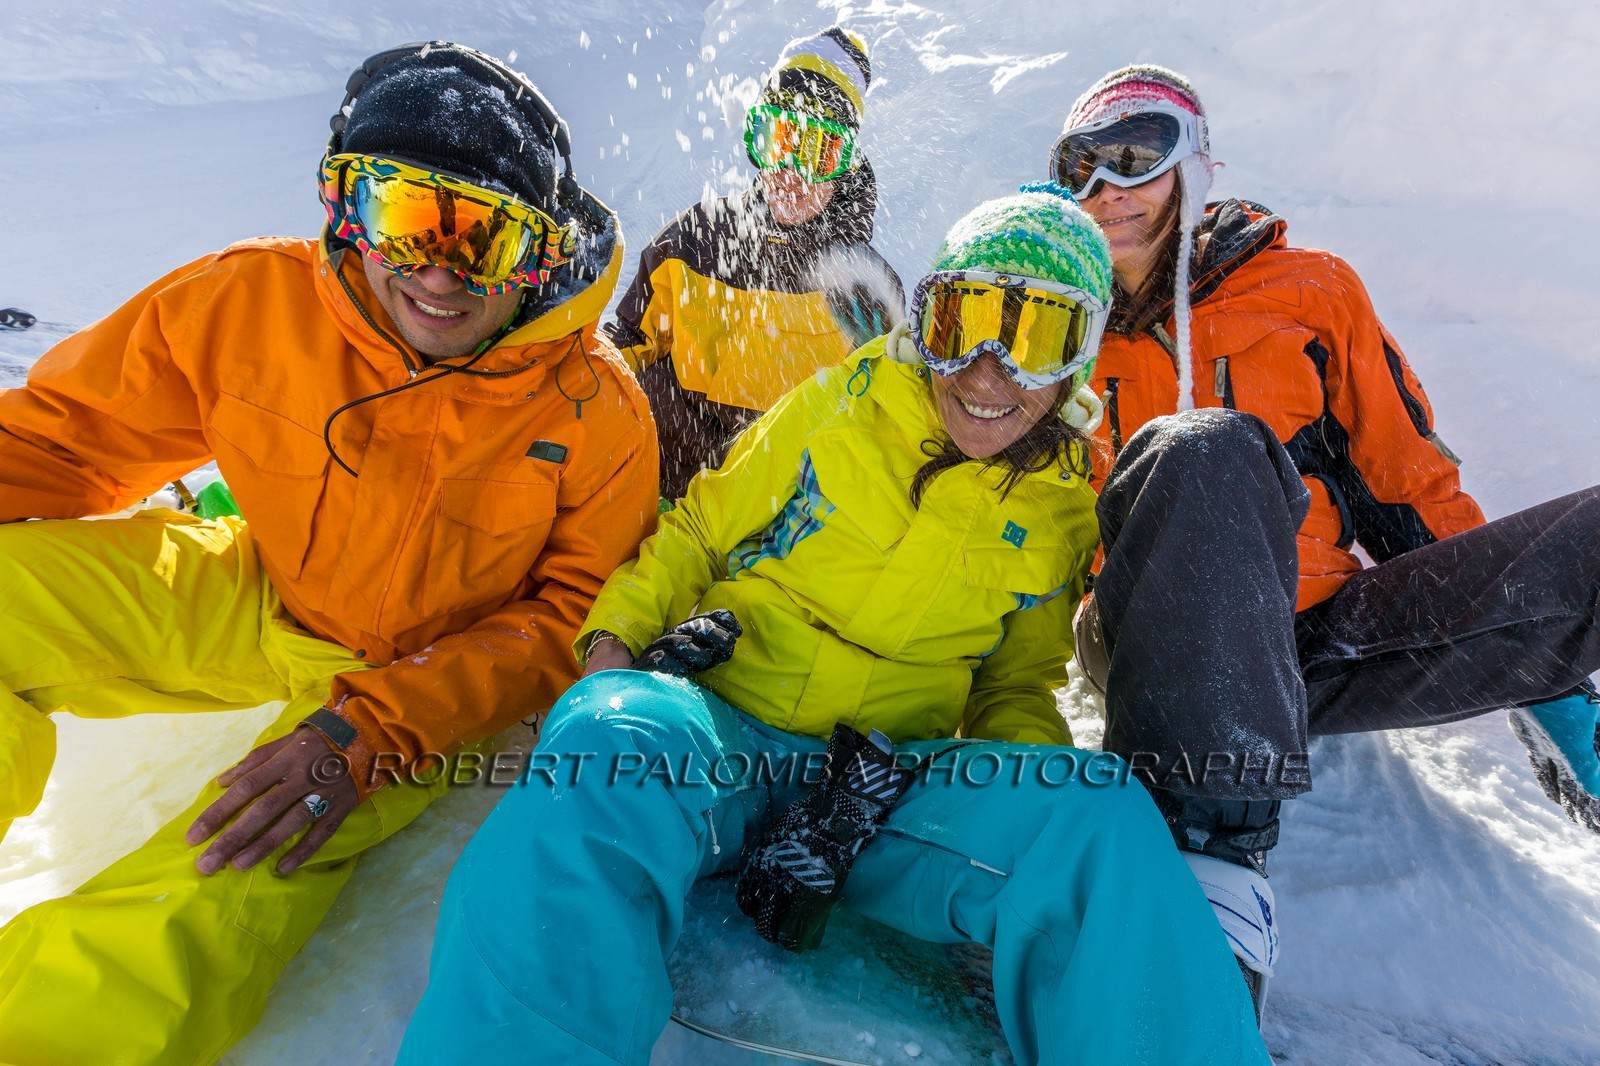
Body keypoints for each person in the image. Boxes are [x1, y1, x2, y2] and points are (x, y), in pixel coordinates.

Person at [399, 185, 1270, 1066]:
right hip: (727, 726)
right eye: (962, 322)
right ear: (926, 320)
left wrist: (1017, 800)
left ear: (1078, 360)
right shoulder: (839, 406)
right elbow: (699, 529)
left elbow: (1015, 685)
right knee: (604, 737)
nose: (985, 372)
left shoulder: (1060, 512)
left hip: (881, 785)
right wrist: (616, 652)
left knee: (1098, 815)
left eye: (1037, 337)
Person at [0, 42, 657, 1064]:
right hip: (262, 588)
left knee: (220, 876)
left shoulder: (594, 407)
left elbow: (576, 612)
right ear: (344, 207)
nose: (438, 270)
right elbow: (63, 442)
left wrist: (378, 729)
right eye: (405, 215)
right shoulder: (249, 300)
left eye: (484, 235)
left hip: (411, 685)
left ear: (540, 250)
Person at [1046, 63, 1600, 1006]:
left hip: (1316, 635)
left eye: (1137, 157)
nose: (1108, 191)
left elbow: (1402, 482)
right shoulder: (1058, 321)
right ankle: (1212, 863)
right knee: (1206, 450)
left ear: (1194, 165)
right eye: (1081, 168)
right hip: (1149, 644)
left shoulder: (1309, 291)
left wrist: (1535, 662)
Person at [603, 26, 905, 500]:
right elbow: (620, 352)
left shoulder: (864, 286)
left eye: (818, 151)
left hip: (784, 524)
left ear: (845, 162)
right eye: (776, 141)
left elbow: (888, 428)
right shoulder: (695, 239)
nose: (790, 172)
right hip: (660, 495)